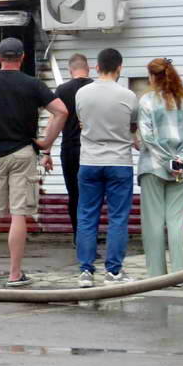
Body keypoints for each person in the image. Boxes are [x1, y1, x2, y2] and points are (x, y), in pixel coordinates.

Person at [0, 37, 68, 287]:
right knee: (19, 214)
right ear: (22, 58)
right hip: (23, 154)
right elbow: (61, 111)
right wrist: (46, 142)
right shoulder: (32, 84)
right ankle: (15, 274)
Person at [73, 48, 138, 288]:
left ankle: (86, 272)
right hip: (119, 162)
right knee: (118, 218)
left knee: (87, 216)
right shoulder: (129, 96)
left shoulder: (82, 93)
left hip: (89, 161)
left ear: (97, 67)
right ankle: (113, 272)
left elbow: (82, 122)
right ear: (119, 67)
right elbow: (132, 125)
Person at [137, 57, 183, 279]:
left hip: (153, 167)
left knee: (154, 221)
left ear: (153, 77)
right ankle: (179, 273)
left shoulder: (147, 101)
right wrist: (179, 160)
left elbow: (147, 137)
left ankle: (156, 274)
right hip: (181, 170)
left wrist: (166, 161)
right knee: (175, 220)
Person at [51, 53, 93, 244]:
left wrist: (45, 149)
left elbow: (55, 120)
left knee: (73, 193)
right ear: (88, 68)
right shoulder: (95, 88)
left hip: (69, 148)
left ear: (70, 70)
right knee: (92, 195)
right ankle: (90, 234)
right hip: (92, 148)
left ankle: (78, 235)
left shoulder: (62, 90)